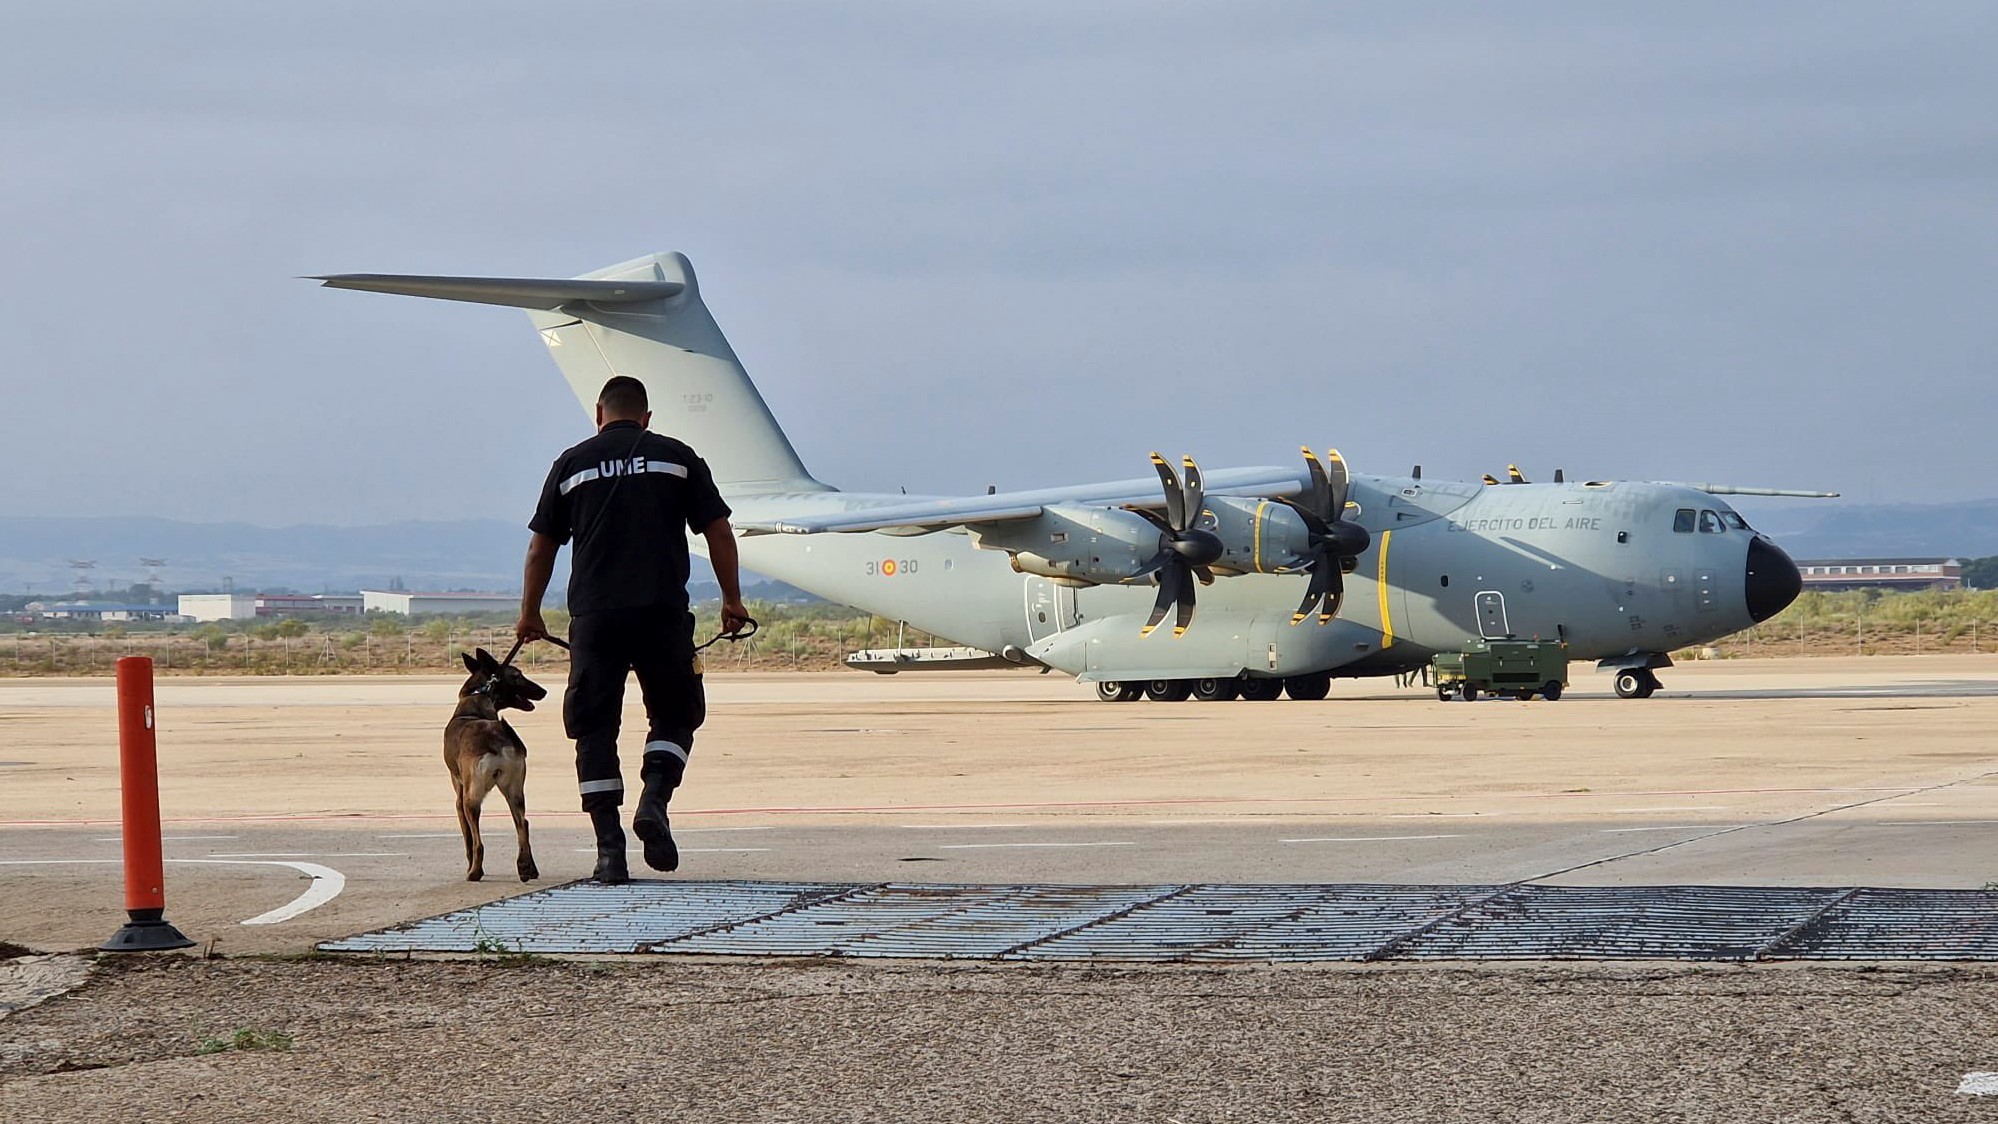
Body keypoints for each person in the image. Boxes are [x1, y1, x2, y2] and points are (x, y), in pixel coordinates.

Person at [515, 375, 749, 884]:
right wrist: (731, 600)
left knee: (593, 727)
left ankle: (609, 852)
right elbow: (719, 532)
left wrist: (530, 613)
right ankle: (655, 800)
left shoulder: (572, 464)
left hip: (596, 620)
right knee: (677, 714)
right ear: (646, 417)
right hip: (661, 614)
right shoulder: (677, 457)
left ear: (600, 413)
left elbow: (541, 548)